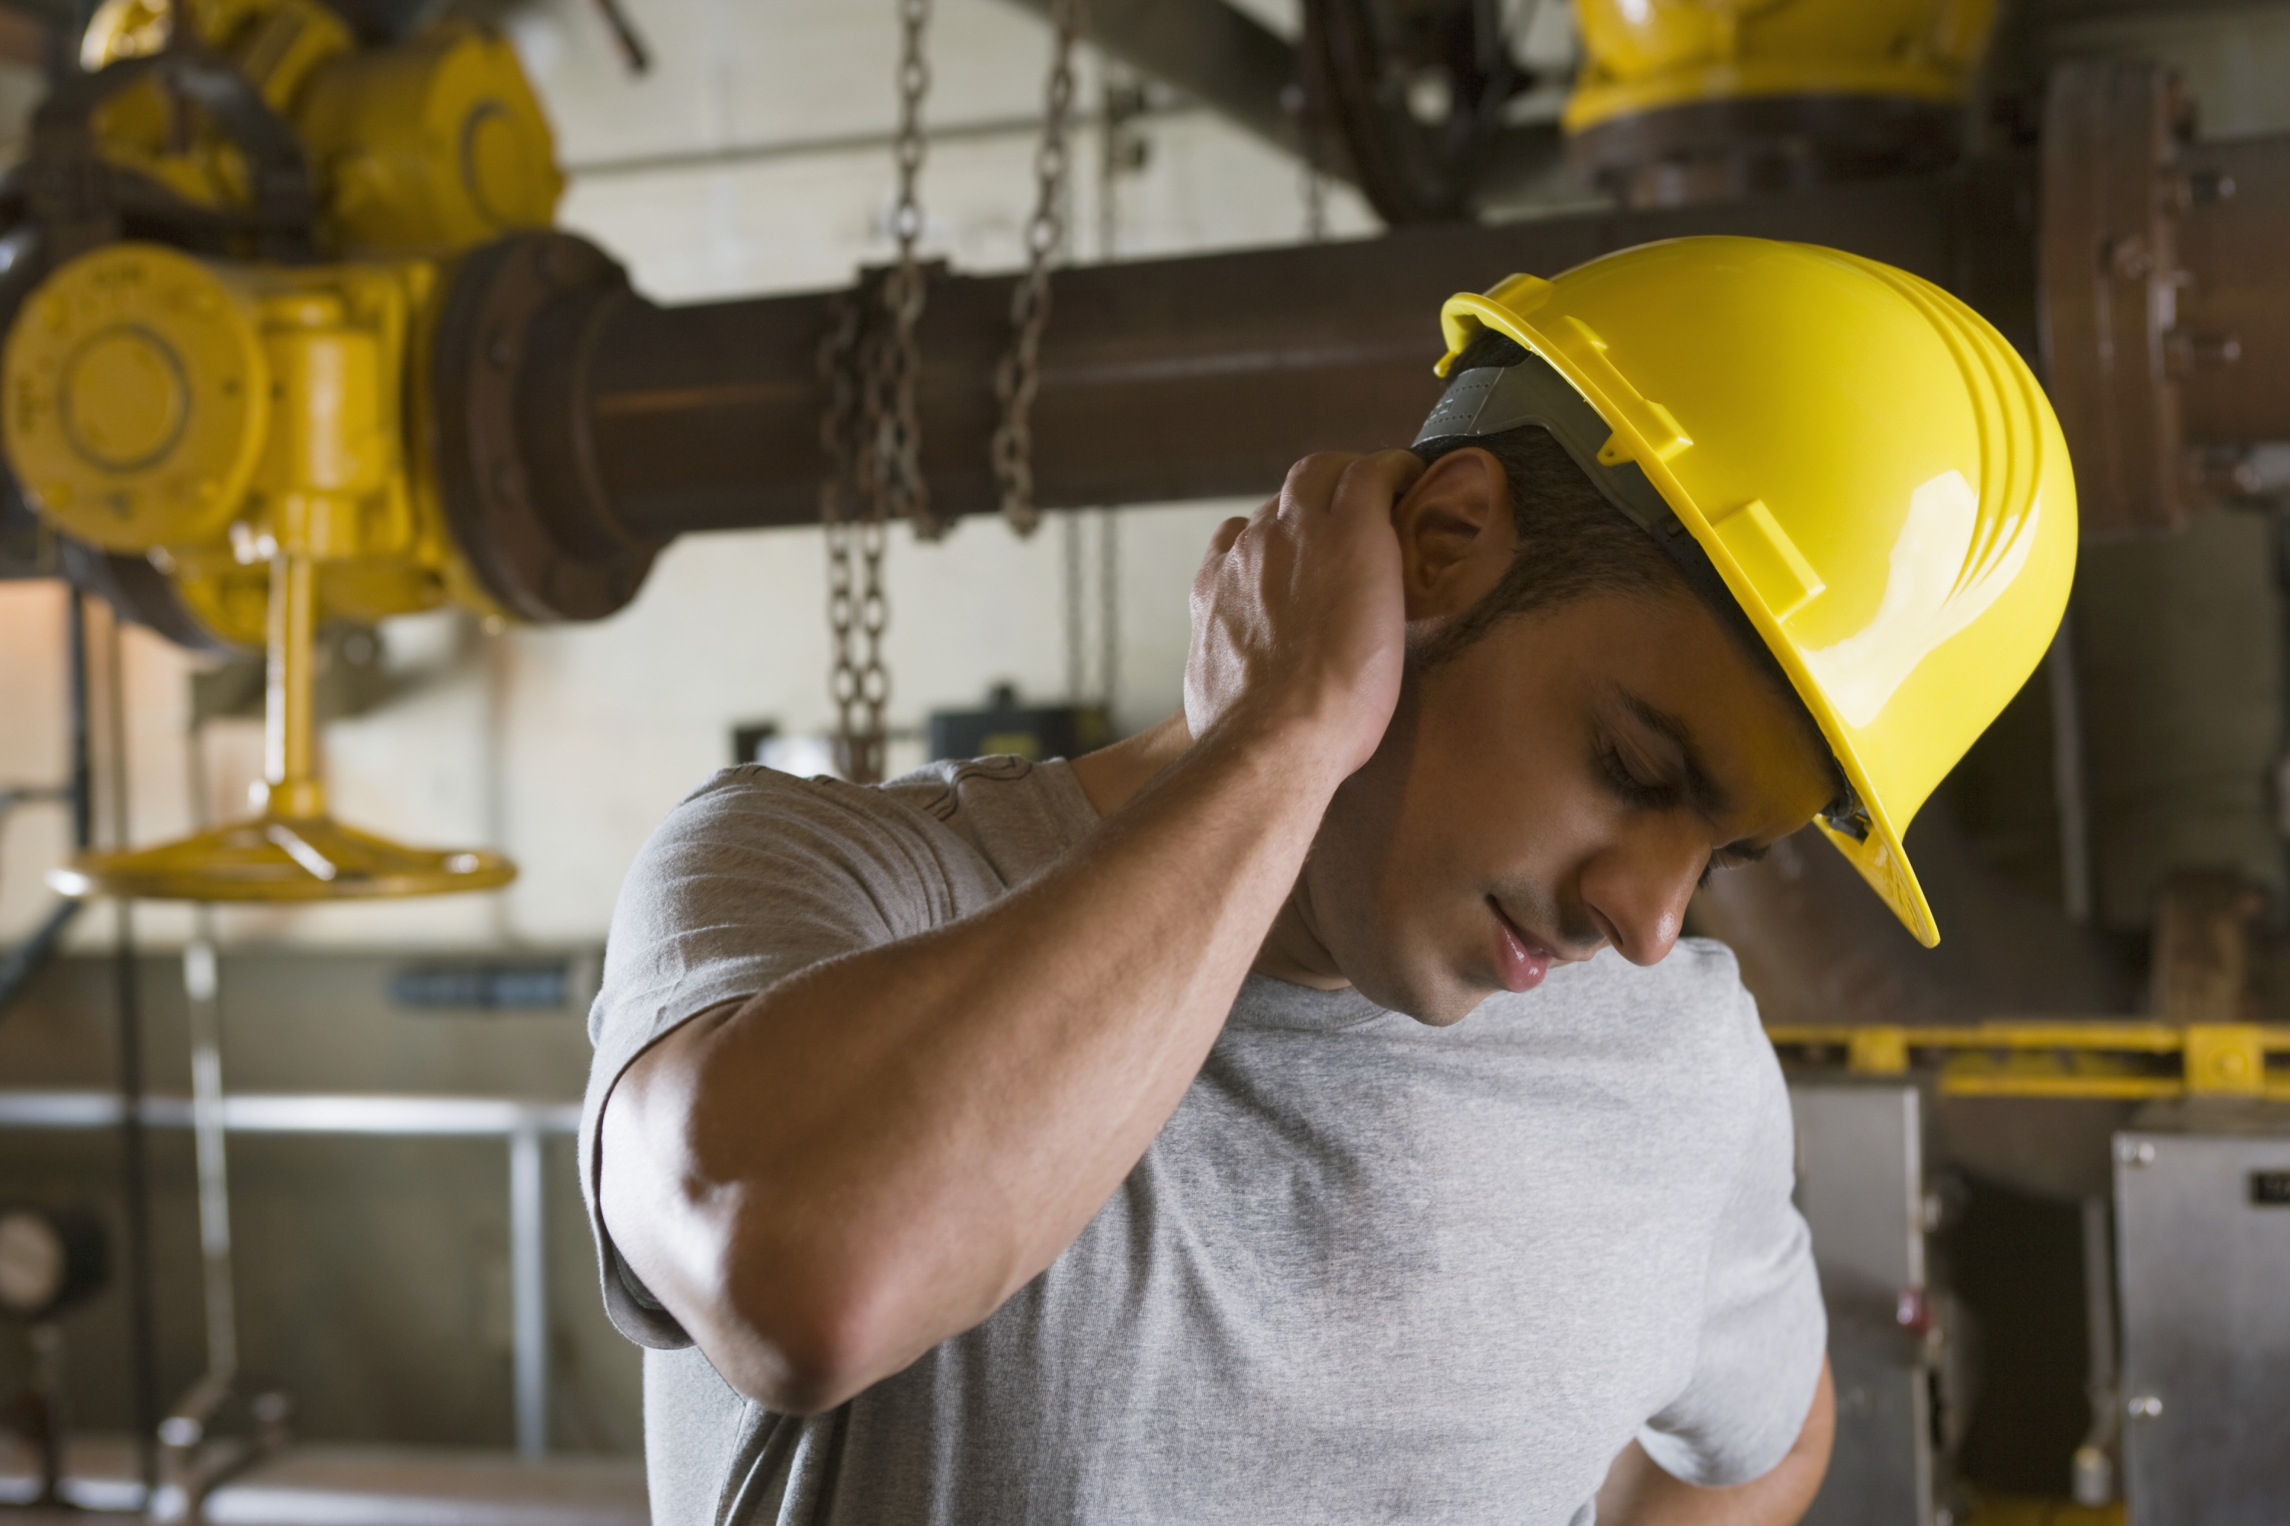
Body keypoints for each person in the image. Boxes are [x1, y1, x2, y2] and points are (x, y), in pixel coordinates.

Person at [579, 236, 2076, 1524]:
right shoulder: (822, 880)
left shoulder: (1675, 1063)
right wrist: (1283, 735)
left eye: (1724, 849)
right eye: (1630, 766)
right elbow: (810, 1275)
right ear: (1439, 548)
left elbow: (1771, 1436)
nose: (1648, 917)